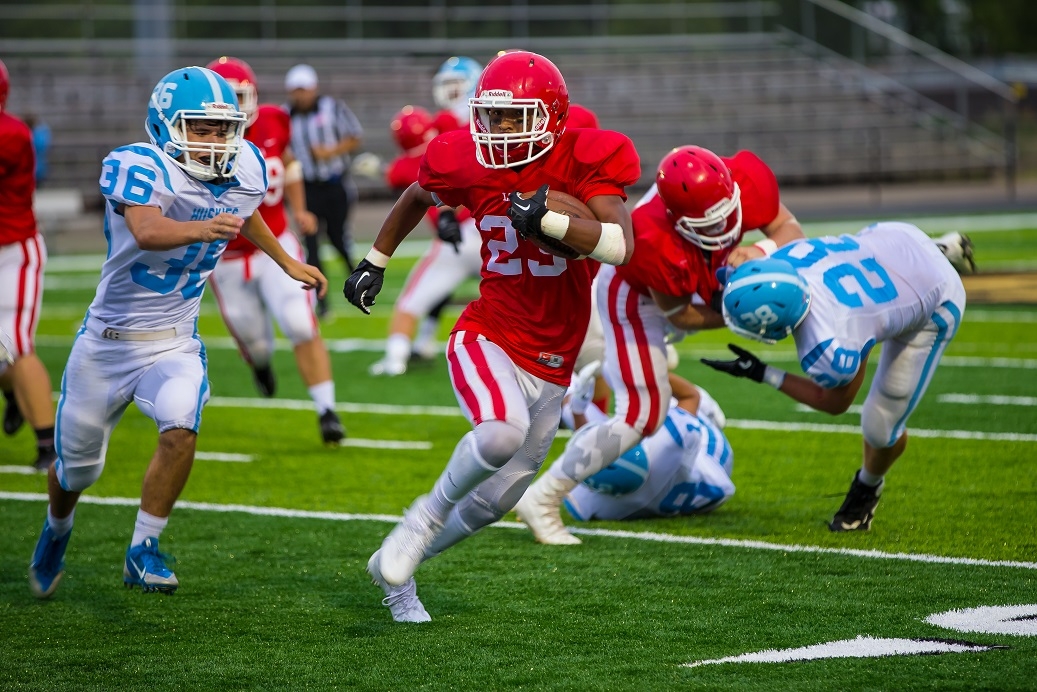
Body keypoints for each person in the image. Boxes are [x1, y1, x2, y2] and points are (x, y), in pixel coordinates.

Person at [343, 50, 640, 622]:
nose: (497, 130)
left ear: (552, 117)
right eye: (490, 116)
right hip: (491, 332)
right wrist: (375, 260)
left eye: (513, 117)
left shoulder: (584, 156)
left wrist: (549, 220)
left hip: (555, 355)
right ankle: (421, 519)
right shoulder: (465, 158)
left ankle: (397, 572)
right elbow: (416, 196)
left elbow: (620, 244)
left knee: (495, 500)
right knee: (501, 433)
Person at [27, 66, 327, 600]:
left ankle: (144, 547)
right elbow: (147, 229)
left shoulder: (248, 166)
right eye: (200, 128)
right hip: (107, 343)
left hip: (174, 340)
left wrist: (284, 260)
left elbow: (245, 211)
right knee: (76, 471)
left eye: (222, 129)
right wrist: (202, 226)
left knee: (180, 426)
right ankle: (56, 529)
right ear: (165, 126)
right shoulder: (138, 165)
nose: (215, 141)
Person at [515, 144, 804, 544]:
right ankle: (544, 497)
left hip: (689, 276)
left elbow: (789, 230)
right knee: (642, 415)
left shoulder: (748, 178)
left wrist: (758, 250)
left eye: (726, 216)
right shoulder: (651, 236)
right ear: (677, 219)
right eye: (707, 223)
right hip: (636, 298)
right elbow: (680, 314)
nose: (722, 231)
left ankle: (638, 373)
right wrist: (739, 314)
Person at [700, 221, 966, 532]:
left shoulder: (828, 343)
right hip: (897, 238)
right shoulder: (784, 260)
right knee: (878, 297)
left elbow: (834, 402)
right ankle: (935, 250)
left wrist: (763, 373)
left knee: (879, 426)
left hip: (936, 298)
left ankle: (867, 488)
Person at [206, 57, 345, 444]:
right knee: (256, 344)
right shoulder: (198, 138)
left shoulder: (272, 121)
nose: (232, 107)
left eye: (238, 97)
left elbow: (289, 162)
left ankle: (327, 411)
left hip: (277, 240)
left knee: (301, 324)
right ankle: (261, 365)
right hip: (227, 256)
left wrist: (298, 208)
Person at [367, 105, 482, 377]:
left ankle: (396, 359)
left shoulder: (404, 167)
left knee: (409, 305)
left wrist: (378, 168)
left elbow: (396, 176)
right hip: (483, 232)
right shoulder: (451, 139)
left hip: (450, 243)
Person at [562, 371, 735, 522]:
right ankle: (709, 410)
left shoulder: (596, 504)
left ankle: (562, 375)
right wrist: (641, 370)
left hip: (679, 489)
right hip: (713, 468)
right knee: (667, 403)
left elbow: (595, 455)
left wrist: (578, 411)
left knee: (570, 407)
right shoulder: (667, 444)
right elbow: (690, 396)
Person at [0, 58, 58, 472]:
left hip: (12, 252)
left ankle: (47, 444)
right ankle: (12, 391)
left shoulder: (11, 135)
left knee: (17, 343)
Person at [285, 63, 364, 317]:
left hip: (333, 184)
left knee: (337, 238)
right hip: (306, 188)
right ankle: (321, 301)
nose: (301, 95)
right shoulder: (285, 116)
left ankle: (360, 281)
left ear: (314, 89)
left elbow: (355, 136)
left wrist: (330, 152)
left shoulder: (333, 108)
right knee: (312, 245)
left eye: (304, 90)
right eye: (296, 90)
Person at [430, 56, 482, 135]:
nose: (448, 89)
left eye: (454, 83)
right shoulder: (443, 120)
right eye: (446, 83)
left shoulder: (480, 125)